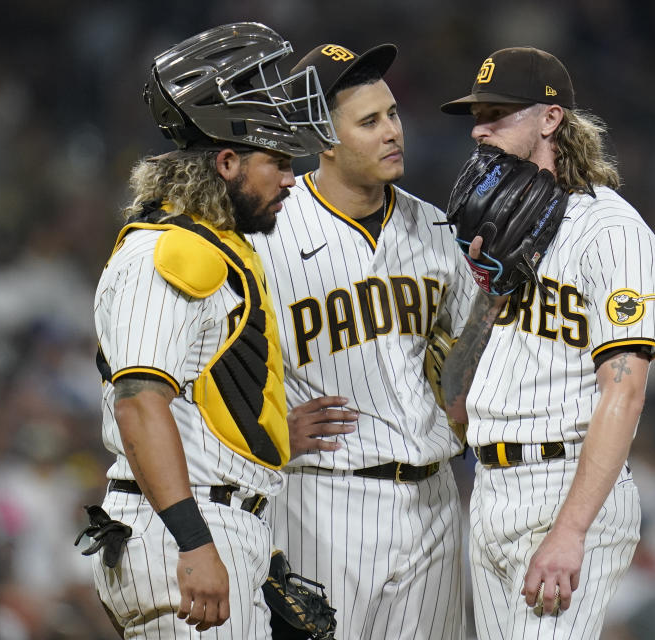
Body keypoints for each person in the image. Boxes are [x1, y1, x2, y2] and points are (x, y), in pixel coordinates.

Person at [85, 22, 338, 638]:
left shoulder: (212, 247)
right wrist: (196, 543)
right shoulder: (170, 253)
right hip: (180, 529)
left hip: (206, 521)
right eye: (277, 160)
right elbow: (140, 405)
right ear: (226, 161)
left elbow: (198, 400)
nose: (289, 178)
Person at [439, 47, 655, 639]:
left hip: (563, 486)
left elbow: (626, 395)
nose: (480, 128)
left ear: (550, 119)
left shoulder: (612, 233)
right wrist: (488, 296)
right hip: (490, 487)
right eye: (477, 113)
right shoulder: (501, 224)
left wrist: (570, 531)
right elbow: (456, 393)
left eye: (500, 112)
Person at [249, 43, 473, 640]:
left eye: (393, 114)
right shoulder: (268, 232)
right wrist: (266, 430)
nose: (393, 132)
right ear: (325, 136)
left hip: (433, 501)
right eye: (369, 122)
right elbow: (213, 364)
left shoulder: (434, 227)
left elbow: (475, 358)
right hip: (323, 500)